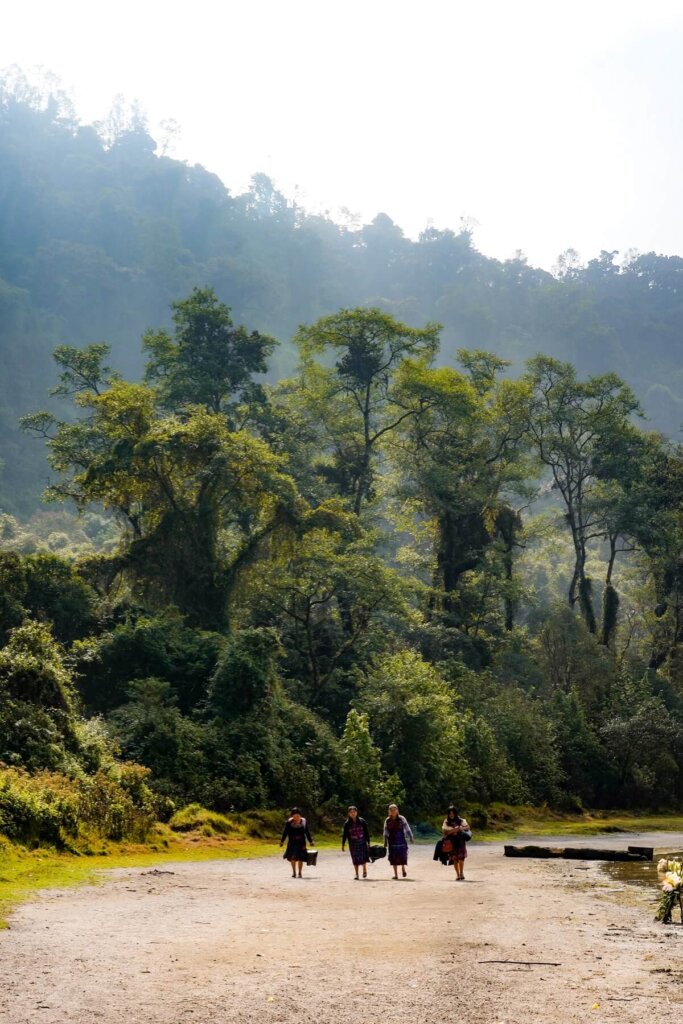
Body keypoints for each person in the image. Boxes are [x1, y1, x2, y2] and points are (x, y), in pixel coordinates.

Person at [280, 807, 313, 878]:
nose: (296, 817)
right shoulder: (289, 823)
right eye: (294, 815)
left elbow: (307, 832)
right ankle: (294, 872)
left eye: (298, 815)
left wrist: (310, 841)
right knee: (293, 858)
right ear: (292, 816)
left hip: (301, 842)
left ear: (300, 815)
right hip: (292, 842)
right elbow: (285, 832)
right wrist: (282, 841)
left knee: (301, 858)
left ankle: (300, 873)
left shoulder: (303, 822)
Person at [383, 803, 414, 879]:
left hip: (401, 840)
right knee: (393, 857)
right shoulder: (387, 820)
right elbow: (385, 832)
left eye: (394, 810)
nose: (393, 811)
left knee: (402, 855)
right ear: (389, 811)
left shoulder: (401, 818)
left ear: (397, 810)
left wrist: (411, 837)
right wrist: (385, 842)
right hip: (392, 841)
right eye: (391, 810)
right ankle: (396, 874)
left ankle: (403, 868)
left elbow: (407, 828)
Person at [441, 805, 471, 880]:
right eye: (450, 813)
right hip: (452, 842)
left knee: (461, 858)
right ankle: (457, 875)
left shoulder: (461, 820)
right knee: (454, 859)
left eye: (453, 813)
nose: (451, 815)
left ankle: (461, 873)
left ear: (455, 813)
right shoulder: (446, 822)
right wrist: (453, 830)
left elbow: (468, 827)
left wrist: (461, 828)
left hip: (461, 841)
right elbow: (445, 832)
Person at [341, 806, 371, 879]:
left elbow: (366, 832)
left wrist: (368, 841)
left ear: (356, 813)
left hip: (362, 841)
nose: (353, 813)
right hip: (353, 843)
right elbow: (344, 835)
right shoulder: (347, 824)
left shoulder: (362, 821)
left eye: (354, 812)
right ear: (349, 814)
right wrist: (343, 844)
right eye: (351, 812)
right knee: (355, 858)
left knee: (363, 857)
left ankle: (364, 870)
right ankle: (356, 874)